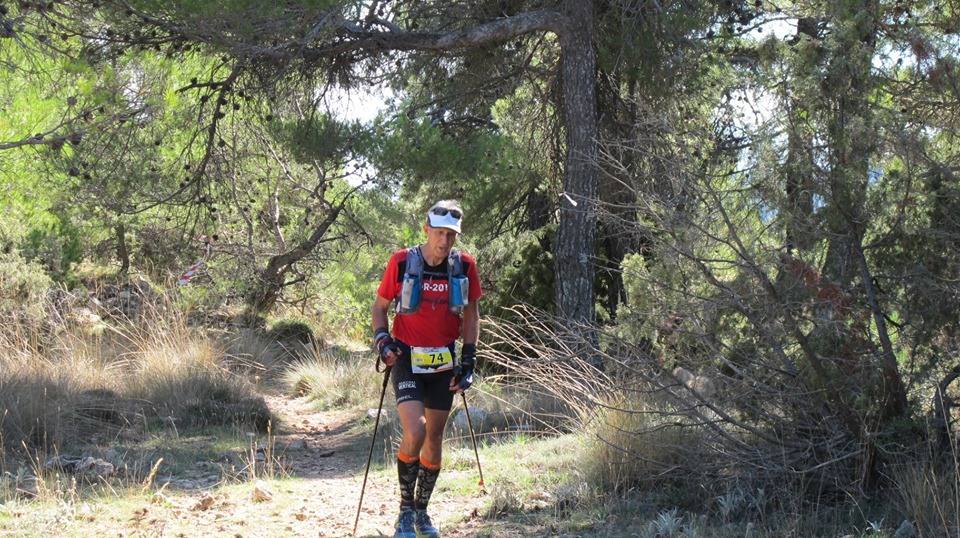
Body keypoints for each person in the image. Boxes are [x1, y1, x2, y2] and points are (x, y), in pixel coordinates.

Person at [371, 200, 482, 538]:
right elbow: (379, 308)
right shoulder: (403, 261)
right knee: (416, 431)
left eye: (451, 235)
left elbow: (472, 315)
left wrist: (469, 360)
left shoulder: (464, 266)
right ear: (426, 230)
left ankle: (422, 512)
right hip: (406, 358)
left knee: (434, 437)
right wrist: (382, 341)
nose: (444, 241)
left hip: (443, 362)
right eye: (439, 233)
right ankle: (404, 511)